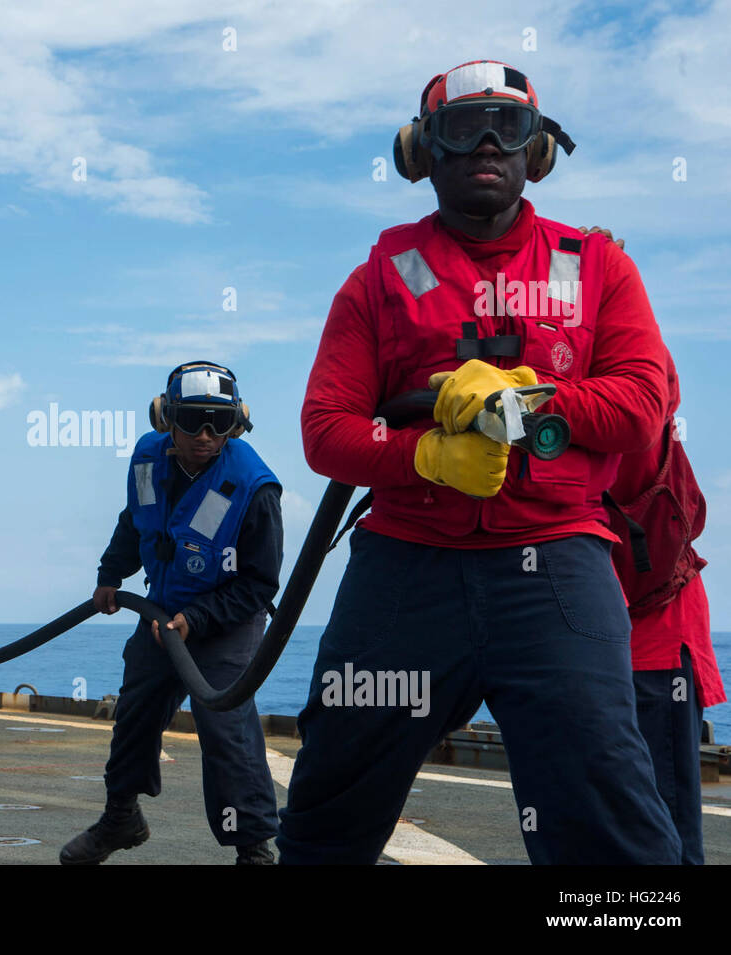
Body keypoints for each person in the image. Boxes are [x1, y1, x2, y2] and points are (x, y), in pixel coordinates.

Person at [277, 60, 682, 864]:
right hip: (406, 571)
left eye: (507, 127)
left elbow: (643, 403)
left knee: (606, 803)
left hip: (559, 568)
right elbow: (326, 431)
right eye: (463, 130)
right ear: (425, 152)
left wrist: (529, 406)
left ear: (536, 152)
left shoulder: (600, 265)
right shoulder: (376, 283)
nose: (487, 146)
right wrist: (427, 453)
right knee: (330, 797)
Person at [59, 362, 283, 865]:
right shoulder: (146, 459)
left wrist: (198, 620)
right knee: (135, 712)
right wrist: (110, 575)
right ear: (166, 417)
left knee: (225, 728)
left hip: (226, 621)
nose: (205, 436)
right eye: (193, 421)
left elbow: (260, 582)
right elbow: (137, 521)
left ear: (236, 424)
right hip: (160, 611)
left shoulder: (254, 486)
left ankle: (254, 850)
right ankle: (121, 817)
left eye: (218, 424)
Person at [605, 345, 726, 864]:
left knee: (661, 825)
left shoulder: (627, 362)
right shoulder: (638, 362)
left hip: (648, 641)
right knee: (647, 821)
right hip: (624, 638)